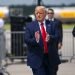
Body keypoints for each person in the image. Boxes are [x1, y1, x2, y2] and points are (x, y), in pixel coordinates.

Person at [24, 6, 61, 75]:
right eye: (36, 13)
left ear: (45, 13)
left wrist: (50, 37)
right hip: (37, 59)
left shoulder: (53, 24)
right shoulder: (30, 26)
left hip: (51, 59)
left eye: (40, 13)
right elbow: (26, 39)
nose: (38, 15)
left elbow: (57, 36)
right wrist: (36, 40)